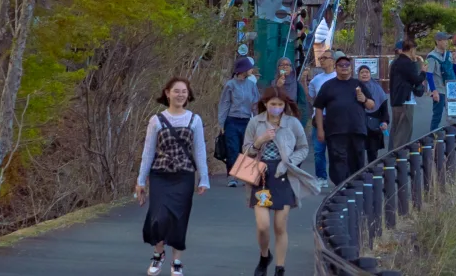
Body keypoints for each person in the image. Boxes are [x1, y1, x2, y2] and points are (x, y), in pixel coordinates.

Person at [241, 86, 322, 276]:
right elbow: (246, 150)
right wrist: (259, 141)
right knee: (263, 225)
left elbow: (303, 147)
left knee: (280, 224)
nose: (276, 108)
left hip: (284, 175)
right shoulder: (255, 122)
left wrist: (289, 162)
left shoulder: (292, 123)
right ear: (265, 104)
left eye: (279, 105)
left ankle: (280, 267)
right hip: (260, 176)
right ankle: (264, 256)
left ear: (285, 105)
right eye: (272, 104)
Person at [136, 77, 209, 276]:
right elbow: (148, 152)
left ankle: (177, 260)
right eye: (176, 91)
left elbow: (199, 151)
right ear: (167, 93)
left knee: (179, 217)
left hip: (184, 175)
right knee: (159, 216)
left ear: (188, 94)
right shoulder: (156, 120)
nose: (180, 95)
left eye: (184, 91)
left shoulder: (194, 120)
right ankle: (158, 254)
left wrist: (204, 178)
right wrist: (141, 181)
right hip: (160, 174)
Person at [313, 52, 378, 185]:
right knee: (338, 160)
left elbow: (372, 105)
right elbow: (318, 107)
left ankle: (356, 187)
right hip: (335, 131)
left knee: (358, 159)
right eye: (341, 65)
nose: (344, 67)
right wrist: (320, 129)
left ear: (351, 68)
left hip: (357, 130)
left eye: (347, 65)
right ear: (336, 67)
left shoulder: (358, 84)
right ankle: (340, 188)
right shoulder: (328, 85)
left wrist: (364, 99)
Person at [218, 58, 261, 187]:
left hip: (247, 120)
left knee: (247, 149)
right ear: (243, 70)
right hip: (232, 120)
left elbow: (255, 104)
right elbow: (224, 104)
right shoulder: (230, 84)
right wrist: (221, 123)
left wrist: (259, 121)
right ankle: (232, 176)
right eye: (250, 68)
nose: (252, 70)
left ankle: (245, 176)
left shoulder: (251, 85)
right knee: (233, 148)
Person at [388, 39, 424, 149]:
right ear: (411, 49)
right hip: (405, 100)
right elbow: (416, 80)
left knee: (396, 130)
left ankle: (391, 157)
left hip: (397, 100)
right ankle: (399, 158)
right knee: (404, 131)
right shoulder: (407, 63)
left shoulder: (396, 62)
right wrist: (423, 71)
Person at [304, 63, 333, 181]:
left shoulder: (338, 77)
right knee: (318, 151)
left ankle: (337, 178)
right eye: (322, 58)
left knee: (335, 151)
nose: (323, 61)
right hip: (319, 118)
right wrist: (303, 81)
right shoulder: (316, 80)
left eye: (326, 58)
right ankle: (321, 177)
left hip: (335, 119)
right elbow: (310, 97)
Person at [425, 32, 456, 132]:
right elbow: (429, 75)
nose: (447, 42)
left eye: (447, 40)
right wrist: (434, 91)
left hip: (450, 89)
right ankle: (432, 138)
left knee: (453, 115)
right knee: (437, 115)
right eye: (444, 40)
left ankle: (453, 136)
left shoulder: (449, 54)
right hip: (439, 90)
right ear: (438, 41)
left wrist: (455, 62)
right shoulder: (431, 56)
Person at [357, 64, 389, 160]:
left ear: (370, 74)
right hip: (359, 123)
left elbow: (384, 107)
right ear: (358, 75)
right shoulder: (355, 87)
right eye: (362, 72)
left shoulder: (377, 88)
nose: (365, 74)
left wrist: (384, 121)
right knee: (358, 151)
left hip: (374, 123)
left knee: (373, 151)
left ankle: (373, 172)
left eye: (367, 72)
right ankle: (360, 173)